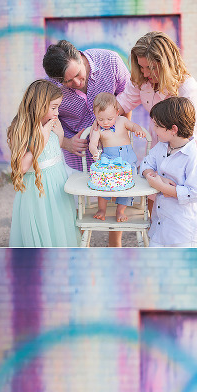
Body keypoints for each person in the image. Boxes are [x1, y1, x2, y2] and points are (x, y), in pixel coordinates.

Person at [42, 39, 131, 247]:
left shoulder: (110, 61)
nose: (77, 83)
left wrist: (123, 134)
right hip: (76, 154)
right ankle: (81, 245)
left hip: (113, 151)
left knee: (115, 198)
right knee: (77, 206)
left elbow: (127, 97)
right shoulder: (49, 85)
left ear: (79, 56)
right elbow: (46, 120)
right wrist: (65, 142)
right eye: (68, 82)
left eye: (78, 75)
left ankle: (114, 245)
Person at [7, 80, 80, 247]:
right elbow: (22, 167)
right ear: (39, 105)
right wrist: (43, 137)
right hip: (38, 188)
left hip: (57, 182)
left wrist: (60, 135)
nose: (57, 113)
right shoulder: (22, 129)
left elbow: (53, 150)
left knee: (59, 222)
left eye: (58, 108)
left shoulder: (50, 124)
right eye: (53, 108)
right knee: (43, 222)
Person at [117, 31, 197, 155]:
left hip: (184, 152)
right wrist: (99, 121)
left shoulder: (187, 88)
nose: (145, 73)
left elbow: (186, 133)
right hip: (156, 148)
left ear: (167, 64)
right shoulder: (142, 80)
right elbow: (120, 104)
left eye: (151, 68)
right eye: (141, 67)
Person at [141, 97, 197, 247]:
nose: (154, 129)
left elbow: (194, 192)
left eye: (157, 126)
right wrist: (155, 177)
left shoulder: (192, 157)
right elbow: (146, 163)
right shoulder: (162, 146)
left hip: (183, 230)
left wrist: (162, 187)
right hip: (161, 224)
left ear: (173, 129)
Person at [88, 92, 147, 224]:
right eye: (100, 119)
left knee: (128, 186)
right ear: (95, 115)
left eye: (109, 118)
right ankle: (102, 209)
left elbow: (133, 126)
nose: (105, 123)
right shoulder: (97, 128)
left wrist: (138, 130)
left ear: (117, 112)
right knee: (103, 184)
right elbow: (92, 143)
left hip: (127, 159)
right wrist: (95, 151)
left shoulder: (122, 121)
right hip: (109, 160)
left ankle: (120, 210)